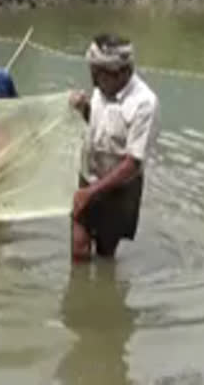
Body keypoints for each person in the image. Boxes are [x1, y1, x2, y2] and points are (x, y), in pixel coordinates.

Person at [68, 33, 160, 261]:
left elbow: (132, 163)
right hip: (89, 176)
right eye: (93, 75)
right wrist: (85, 109)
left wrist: (91, 193)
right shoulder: (103, 87)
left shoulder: (144, 103)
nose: (94, 83)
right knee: (78, 252)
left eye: (99, 76)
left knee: (105, 254)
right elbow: (101, 126)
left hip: (118, 189)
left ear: (122, 73)